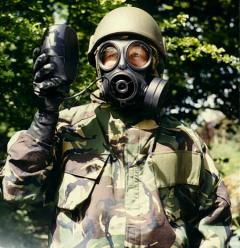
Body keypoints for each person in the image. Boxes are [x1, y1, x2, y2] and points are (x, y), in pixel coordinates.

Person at [1, 6, 231, 248]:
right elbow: (15, 191)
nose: (122, 66)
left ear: (154, 65)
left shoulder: (185, 141)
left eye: (136, 55)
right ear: (99, 66)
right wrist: (46, 116)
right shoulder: (66, 129)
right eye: (109, 55)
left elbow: (216, 223)